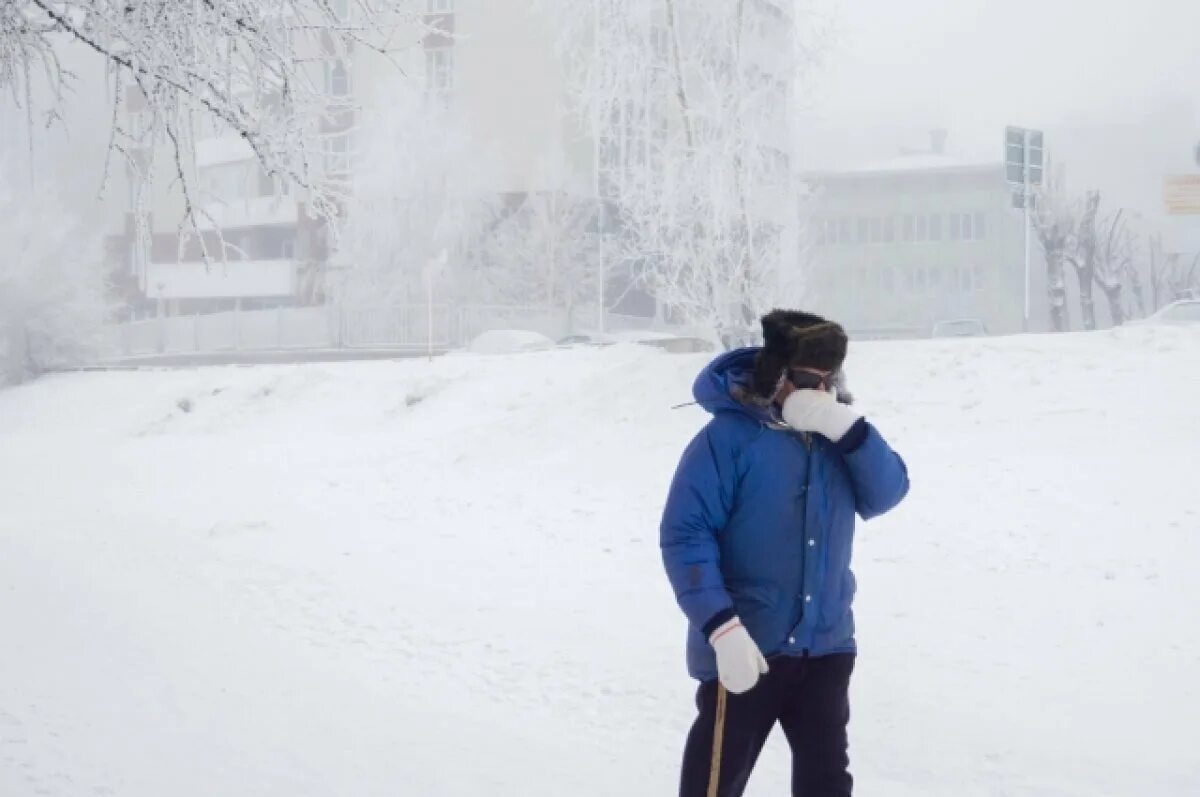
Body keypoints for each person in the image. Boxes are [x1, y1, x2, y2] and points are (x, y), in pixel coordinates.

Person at [660, 309, 910, 797]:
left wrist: (851, 431)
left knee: (827, 786)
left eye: (827, 380)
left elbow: (887, 494)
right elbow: (685, 535)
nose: (818, 391)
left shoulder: (841, 438)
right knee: (714, 784)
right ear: (776, 375)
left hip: (826, 647)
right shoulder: (729, 439)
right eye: (804, 380)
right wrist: (720, 627)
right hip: (746, 647)